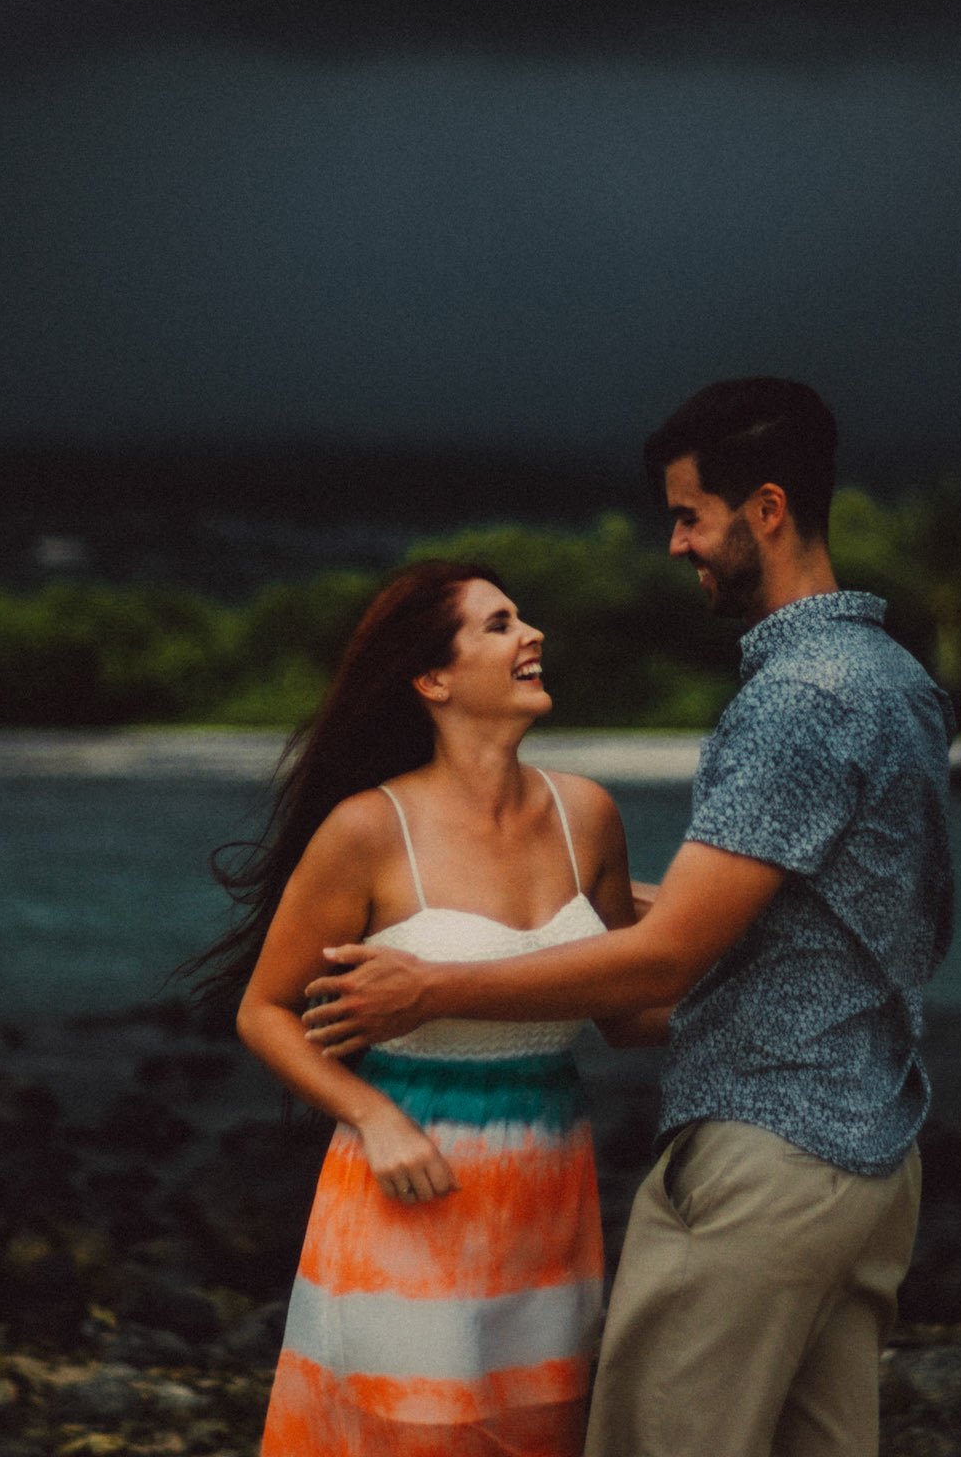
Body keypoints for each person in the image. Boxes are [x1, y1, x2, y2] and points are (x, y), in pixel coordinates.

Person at [303, 379, 956, 1457]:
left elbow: (663, 955)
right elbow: (829, 910)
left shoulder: (796, 699)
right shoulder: (897, 681)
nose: (675, 543)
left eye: (690, 514)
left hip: (769, 1154)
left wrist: (433, 985)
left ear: (769, 510)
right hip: (874, 1163)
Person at [188, 558, 666, 1457]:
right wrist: (372, 1116)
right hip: (408, 1194)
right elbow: (263, 1010)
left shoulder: (588, 816)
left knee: (540, 1435)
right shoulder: (368, 830)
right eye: (498, 624)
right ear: (433, 679)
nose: (532, 635)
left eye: (522, 618)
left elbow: (629, 1009)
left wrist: (788, 999)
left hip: (550, 1191)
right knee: (415, 1435)